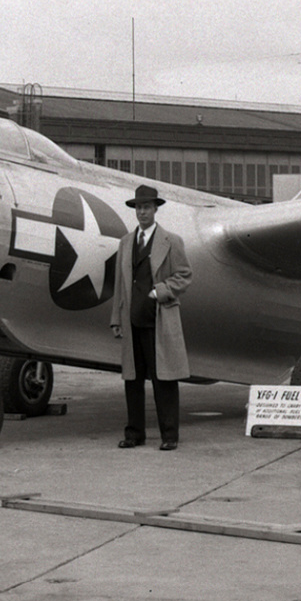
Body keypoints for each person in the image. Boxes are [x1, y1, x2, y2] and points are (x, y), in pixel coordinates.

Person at [110, 184, 192, 450]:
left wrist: (161, 291)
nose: (142, 212)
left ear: (156, 209)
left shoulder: (172, 241)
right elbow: (120, 285)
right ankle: (134, 434)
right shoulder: (125, 243)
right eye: (138, 207)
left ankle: (169, 436)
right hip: (132, 321)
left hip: (159, 321)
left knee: (163, 380)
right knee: (132, 381)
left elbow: (184, 275)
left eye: (147, 207)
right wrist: (116, 318)